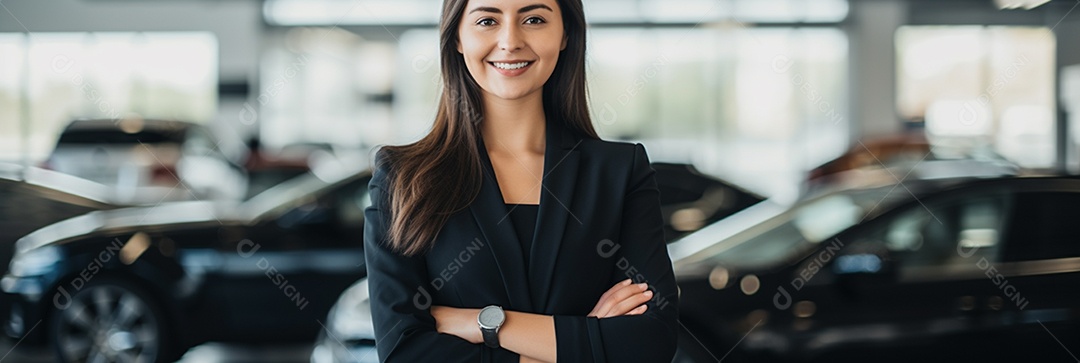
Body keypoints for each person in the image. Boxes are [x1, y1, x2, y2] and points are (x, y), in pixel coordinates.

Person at [364, 0, 678, 361]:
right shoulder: (403, 176)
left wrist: (485, 323)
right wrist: (585, 340)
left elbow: (652, 341)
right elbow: (404, 351)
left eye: (533, 19)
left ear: (565, 35)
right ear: (457, 38)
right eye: (486, 20)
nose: (510, 40)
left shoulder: (620, 171)